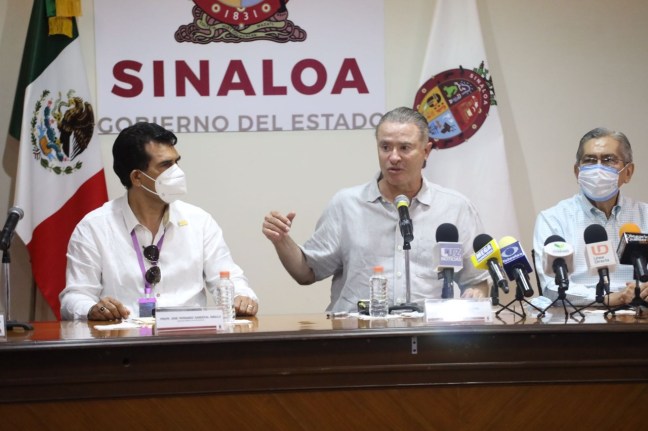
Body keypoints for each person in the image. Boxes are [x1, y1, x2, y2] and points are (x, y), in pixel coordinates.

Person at [262, 107, 489, 312]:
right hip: (357, 335)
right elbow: (307, 272)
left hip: (430, 335)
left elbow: (477, 280)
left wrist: (476, 294)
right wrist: (282, 240)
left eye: (404, 148)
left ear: (426, 151)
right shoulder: (346, 205)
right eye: (385, 147)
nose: (394, 157)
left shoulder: (455, 208)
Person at [60, 122, 258, 320]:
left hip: (190, 334)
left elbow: (228, 278)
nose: (178, 172)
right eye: (166, 165)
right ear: (137, 177)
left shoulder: (199, 222)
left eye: (176, 162)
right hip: (124, 335)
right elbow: (75, 297)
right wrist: (93, 309)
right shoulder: (94, 227)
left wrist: (242, 297)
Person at [533, 127, 648, 307]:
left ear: (628, 172)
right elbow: (552, 287)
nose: (598, 168)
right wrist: (610, 298)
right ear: (577, 172)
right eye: (590, 160)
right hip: (580, 315)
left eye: (609, 160)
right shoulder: (554, 219)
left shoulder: (645, 216)